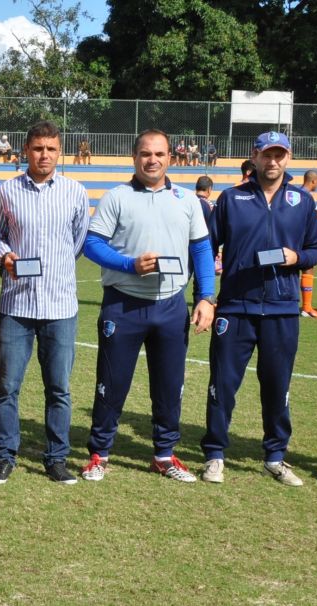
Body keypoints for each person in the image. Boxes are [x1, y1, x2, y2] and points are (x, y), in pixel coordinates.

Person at [80, 128, 216, 483]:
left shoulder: (187, 201)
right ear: (134, 157)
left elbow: (201, 250)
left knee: (170, 386)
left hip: (171, 306)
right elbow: (92, 245)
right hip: (123, 305)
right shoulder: (117, 197)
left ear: (171, 156)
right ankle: (99, 454)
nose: (152, 160)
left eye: (159, 153)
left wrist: (206, 297)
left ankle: (164, 455)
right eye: (145, 154)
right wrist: (129, 264)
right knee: (112, 383)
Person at [200, 132, 317, 486]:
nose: (273, 162)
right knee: (222, 385)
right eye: (266, 155)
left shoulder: (302, 201)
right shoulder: (231, 198)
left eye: (279, 155)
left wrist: (296, 257)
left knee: (277, 386)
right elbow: (207, 248)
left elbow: (316, 249)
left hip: (283, 310)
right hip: (236, 308)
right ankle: (215, 455)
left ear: (289, 158)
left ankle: (275, 456)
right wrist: (207, 297)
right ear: (254, 156)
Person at [0, 120, 90, 485]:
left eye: (51, 148)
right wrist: (6, 257)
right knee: (7, 386)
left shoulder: (77, 192)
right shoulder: (6, 191)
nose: (44, 155)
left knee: (59, 388)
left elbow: (76, 244)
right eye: (37, 148)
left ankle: (56, 457)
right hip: (16, 306)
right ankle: (4, 456)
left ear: (59, 151)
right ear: (25, 151)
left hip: (60, 307)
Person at [300, 170, 317, 318]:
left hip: (296, 238)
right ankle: (306, 308)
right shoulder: (305, 197)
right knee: (308, 268)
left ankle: (306, 307)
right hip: (300, 239)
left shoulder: (297, 193)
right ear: (313, 181)